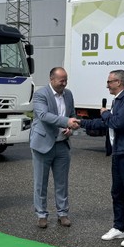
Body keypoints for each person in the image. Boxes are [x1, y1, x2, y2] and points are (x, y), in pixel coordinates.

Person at [75, 70, 124, 247]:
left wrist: (105, 113)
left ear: (119, 83)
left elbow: (116, 122)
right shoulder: (118, 101)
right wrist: (81, 122)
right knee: (116, 191)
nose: (107, 85)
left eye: (110, 82)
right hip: (119, 152)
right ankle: (118, 228)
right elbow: (106, 123)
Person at [30, 67, 78, 228]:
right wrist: (66, 122)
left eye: (66, 80)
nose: (64, 84)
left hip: (62, 144)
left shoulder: (68, 94)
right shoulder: (40, 94)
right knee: (40, 183)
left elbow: (72, 114)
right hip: (43, 144)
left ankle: (63, 214)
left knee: (62, 182)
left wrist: (71, 128)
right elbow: (43, 115)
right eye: (61, 80)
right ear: (51, 79)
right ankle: (41, 215)